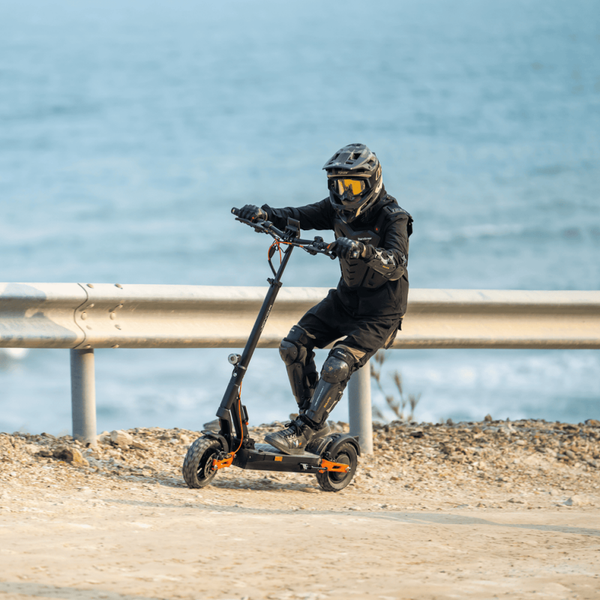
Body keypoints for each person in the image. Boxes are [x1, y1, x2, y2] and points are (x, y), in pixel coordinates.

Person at [238, 143, 413, 454]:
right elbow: (297, 216)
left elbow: (396, 264)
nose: (345, 195)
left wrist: (364, 250)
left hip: (381, 313)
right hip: (345, 301)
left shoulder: (393, 217)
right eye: (338, 186)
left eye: (352, 186)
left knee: (337, 364)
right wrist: (265, 214)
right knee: (293, 346)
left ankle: (305, 429)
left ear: (372, 182)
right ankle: (311, 425)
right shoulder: (335, 209)